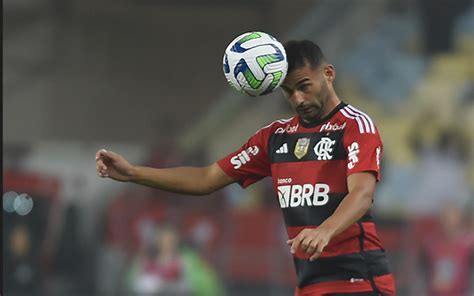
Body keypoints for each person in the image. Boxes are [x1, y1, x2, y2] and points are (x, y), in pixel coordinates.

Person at [96, 40, 396, 295]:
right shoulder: (275, 138)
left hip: (360, 280)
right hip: (310, 284)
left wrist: (325, 230)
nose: (298, 98)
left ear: (328, 74)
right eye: (288, 91)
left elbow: (362, 194)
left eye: (304, 86)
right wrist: (135, 173)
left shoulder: (355, 125)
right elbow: (206, 178)